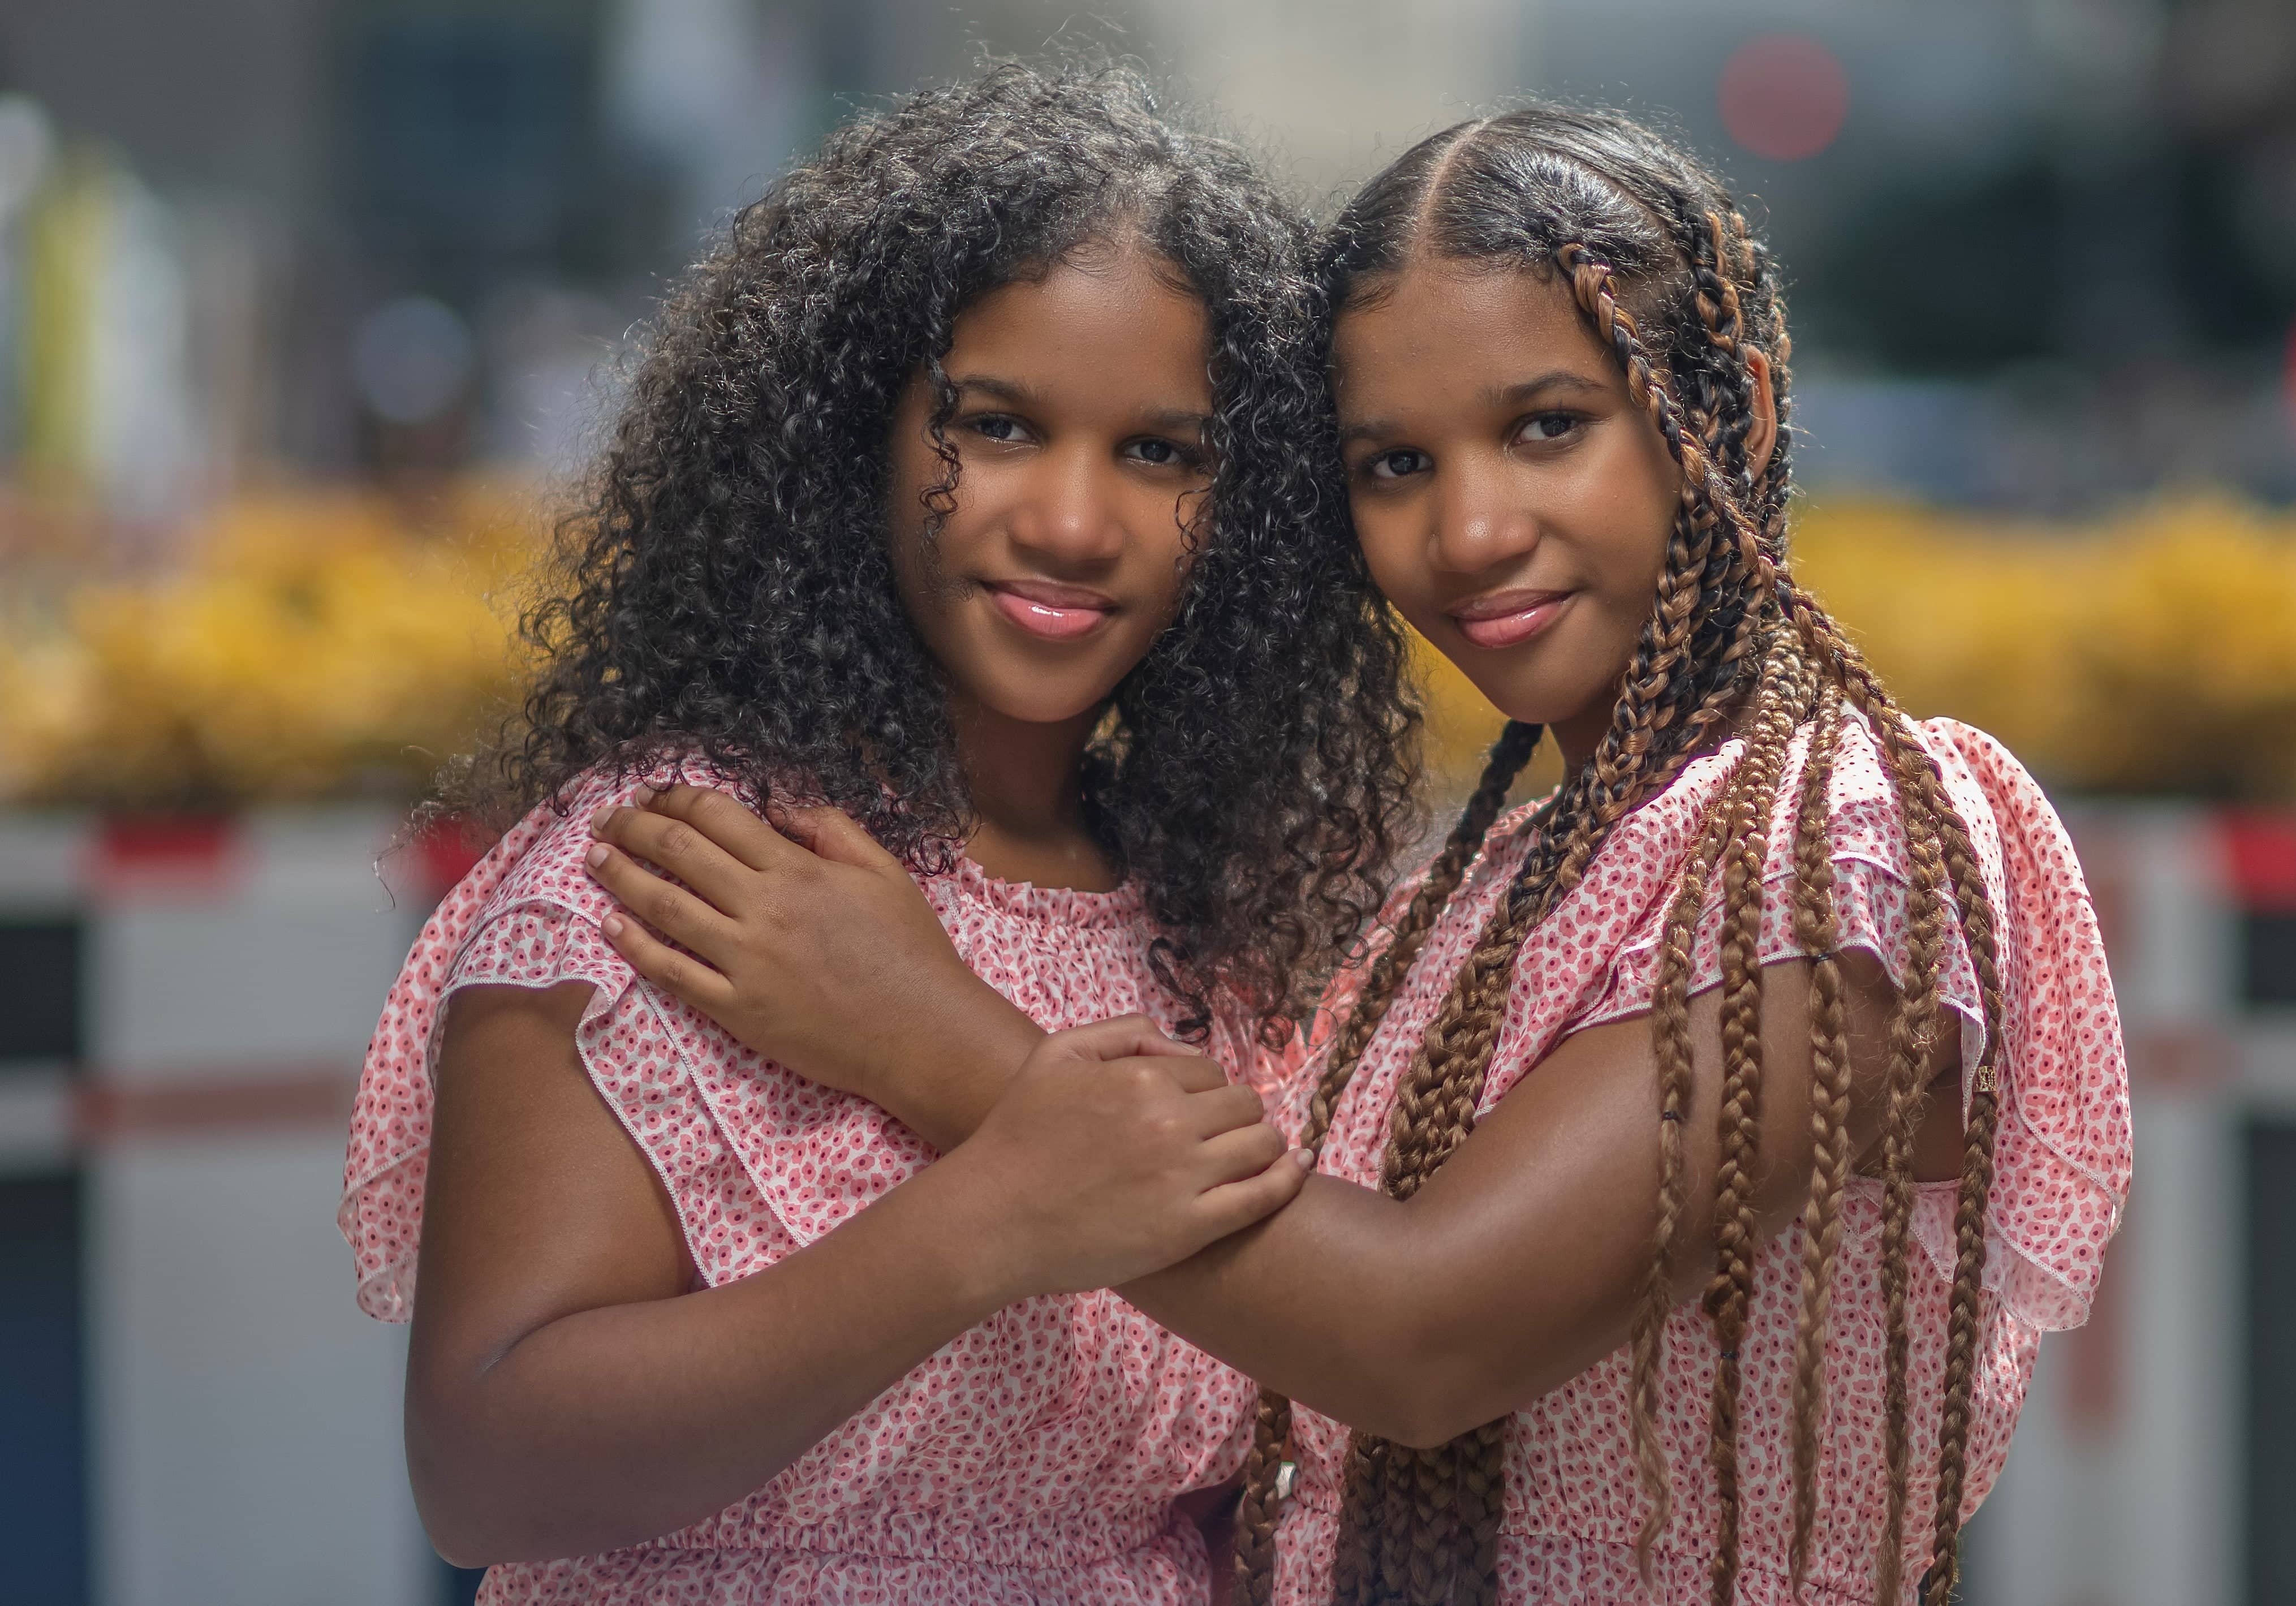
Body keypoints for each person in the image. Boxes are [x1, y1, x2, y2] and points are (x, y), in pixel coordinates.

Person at [588, 107, 2131, 1606]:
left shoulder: (1846, 845)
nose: (1467, 531)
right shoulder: (1494, 882)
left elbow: (1418, 1338)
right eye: (1393, 464)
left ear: (1727, 408)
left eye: (1545, 428)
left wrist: (917, 1031)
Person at [338, 63, 1424, 1604]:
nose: (1068, 519)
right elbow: (486, 1468)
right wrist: (978, 1226)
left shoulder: (1219, 918)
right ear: (849, 432)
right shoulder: (690, 866)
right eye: (994, 426)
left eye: (1160, 452)